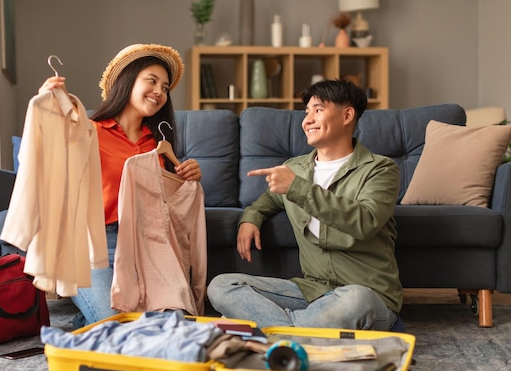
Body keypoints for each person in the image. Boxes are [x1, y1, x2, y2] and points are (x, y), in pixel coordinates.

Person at [207, 79, 402, 331]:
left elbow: (364, 221)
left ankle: (274, 329)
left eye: (318, 110)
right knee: (222, 286)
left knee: (356, 299)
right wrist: (250, 218)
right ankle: (298, 331)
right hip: (312, 292)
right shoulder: (295, 168)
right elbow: (268, 200)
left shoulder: (380, 169)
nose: (307, 120)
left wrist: (297, 187)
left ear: (347, 115)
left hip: (367, 293)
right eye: (306, 112)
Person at [39, 44, 202, 326]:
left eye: (165, 87)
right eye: (151, 81)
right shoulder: (89, 131)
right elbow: (48, 161)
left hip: (147, 247)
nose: (159, 92)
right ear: (127, 81)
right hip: (94, 246)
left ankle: (83, 321)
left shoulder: (156, 144)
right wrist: (46, 108)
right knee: (121, 327)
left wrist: (187, 178)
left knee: (176, 323)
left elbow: (162, 207)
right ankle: (92, 317)